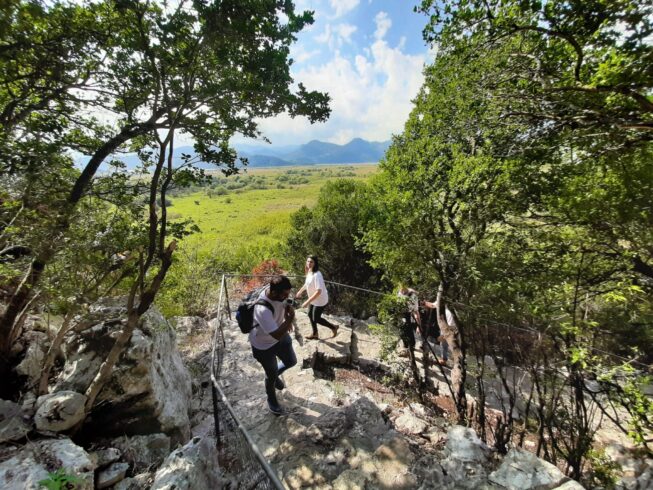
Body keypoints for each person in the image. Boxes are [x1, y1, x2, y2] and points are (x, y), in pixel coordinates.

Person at [249, 275, 298, 415]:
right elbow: (275, 334)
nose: (287, 296)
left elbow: (285, 303)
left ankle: (275, 375)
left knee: (291, 361)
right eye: (285, 295)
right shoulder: (262, 309)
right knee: (270, 375)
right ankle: (272, 400)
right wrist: (289, 320)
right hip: (264, 346)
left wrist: (287, 307)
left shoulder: (278, 293)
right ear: (274, 292)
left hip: (280, 336)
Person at [296, 255, 338, 340]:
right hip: (313, 298)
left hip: (320, 300)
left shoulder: (317, 275)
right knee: (310, 314)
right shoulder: (309, 272)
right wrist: (300, 291)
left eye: (311, 262)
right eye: (308, 261)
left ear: (315, 263)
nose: (309, 263)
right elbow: (307, 284)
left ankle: (333, 327)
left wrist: (307, 302)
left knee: (316, 318)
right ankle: (315, 333)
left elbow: (319, 292)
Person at [422, 299, 451, 366]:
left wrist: (425, 303)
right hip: (444, 324)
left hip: (447, 325)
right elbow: (433, 305)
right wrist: (425, 303)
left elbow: (433, 305)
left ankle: (444, 360)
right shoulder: (441, 301)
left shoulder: (447, 309)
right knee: (442, 341)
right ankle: (443, 359)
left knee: (443, 341)